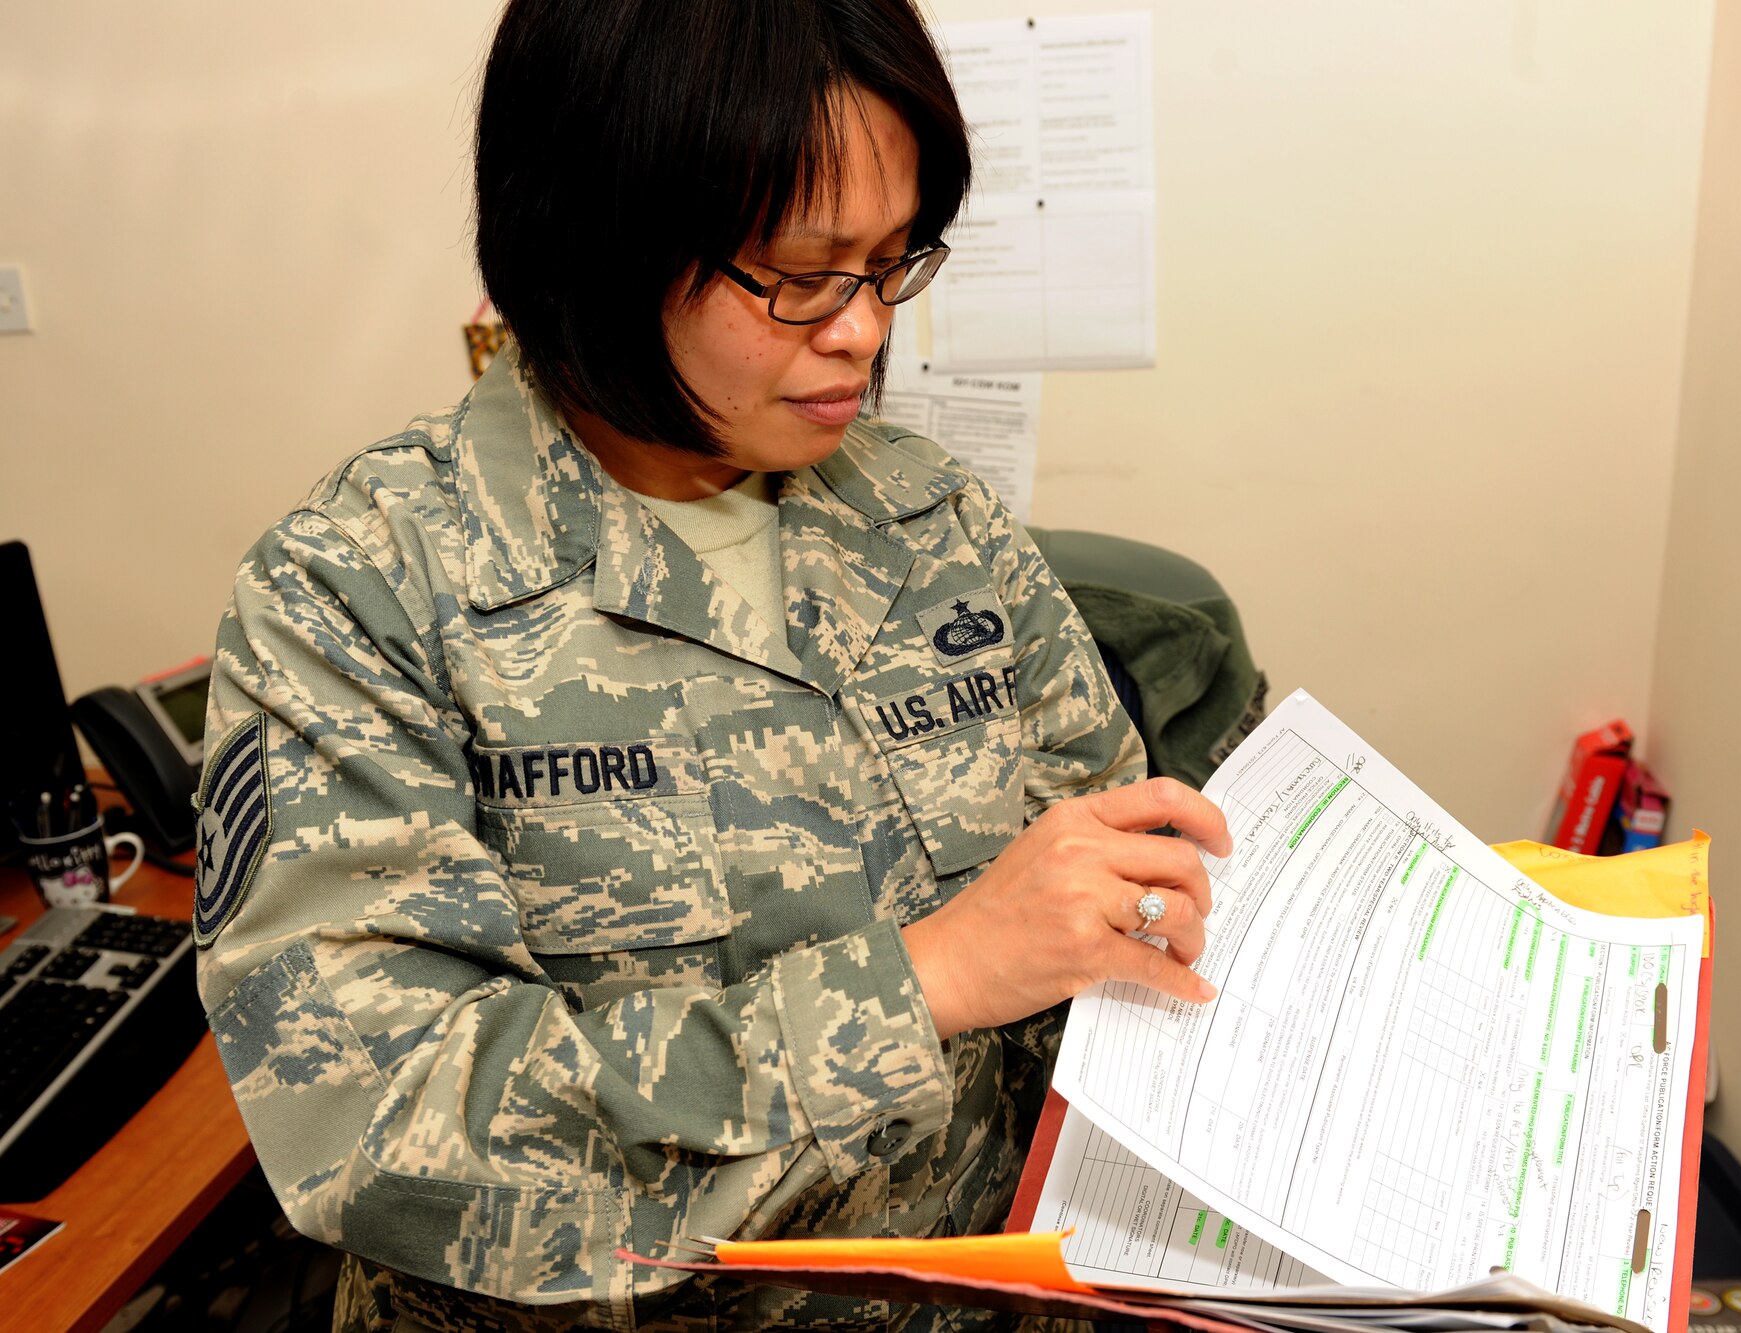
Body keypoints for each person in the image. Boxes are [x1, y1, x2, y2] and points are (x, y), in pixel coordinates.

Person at [192, 2, 1229, 1329]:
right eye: (801, 275)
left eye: (891, 265)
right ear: (602, 242)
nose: (863, 330)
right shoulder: (364, 589)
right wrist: (924, 979)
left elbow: (1111, 902)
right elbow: (386, 1135)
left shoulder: (932, 519)